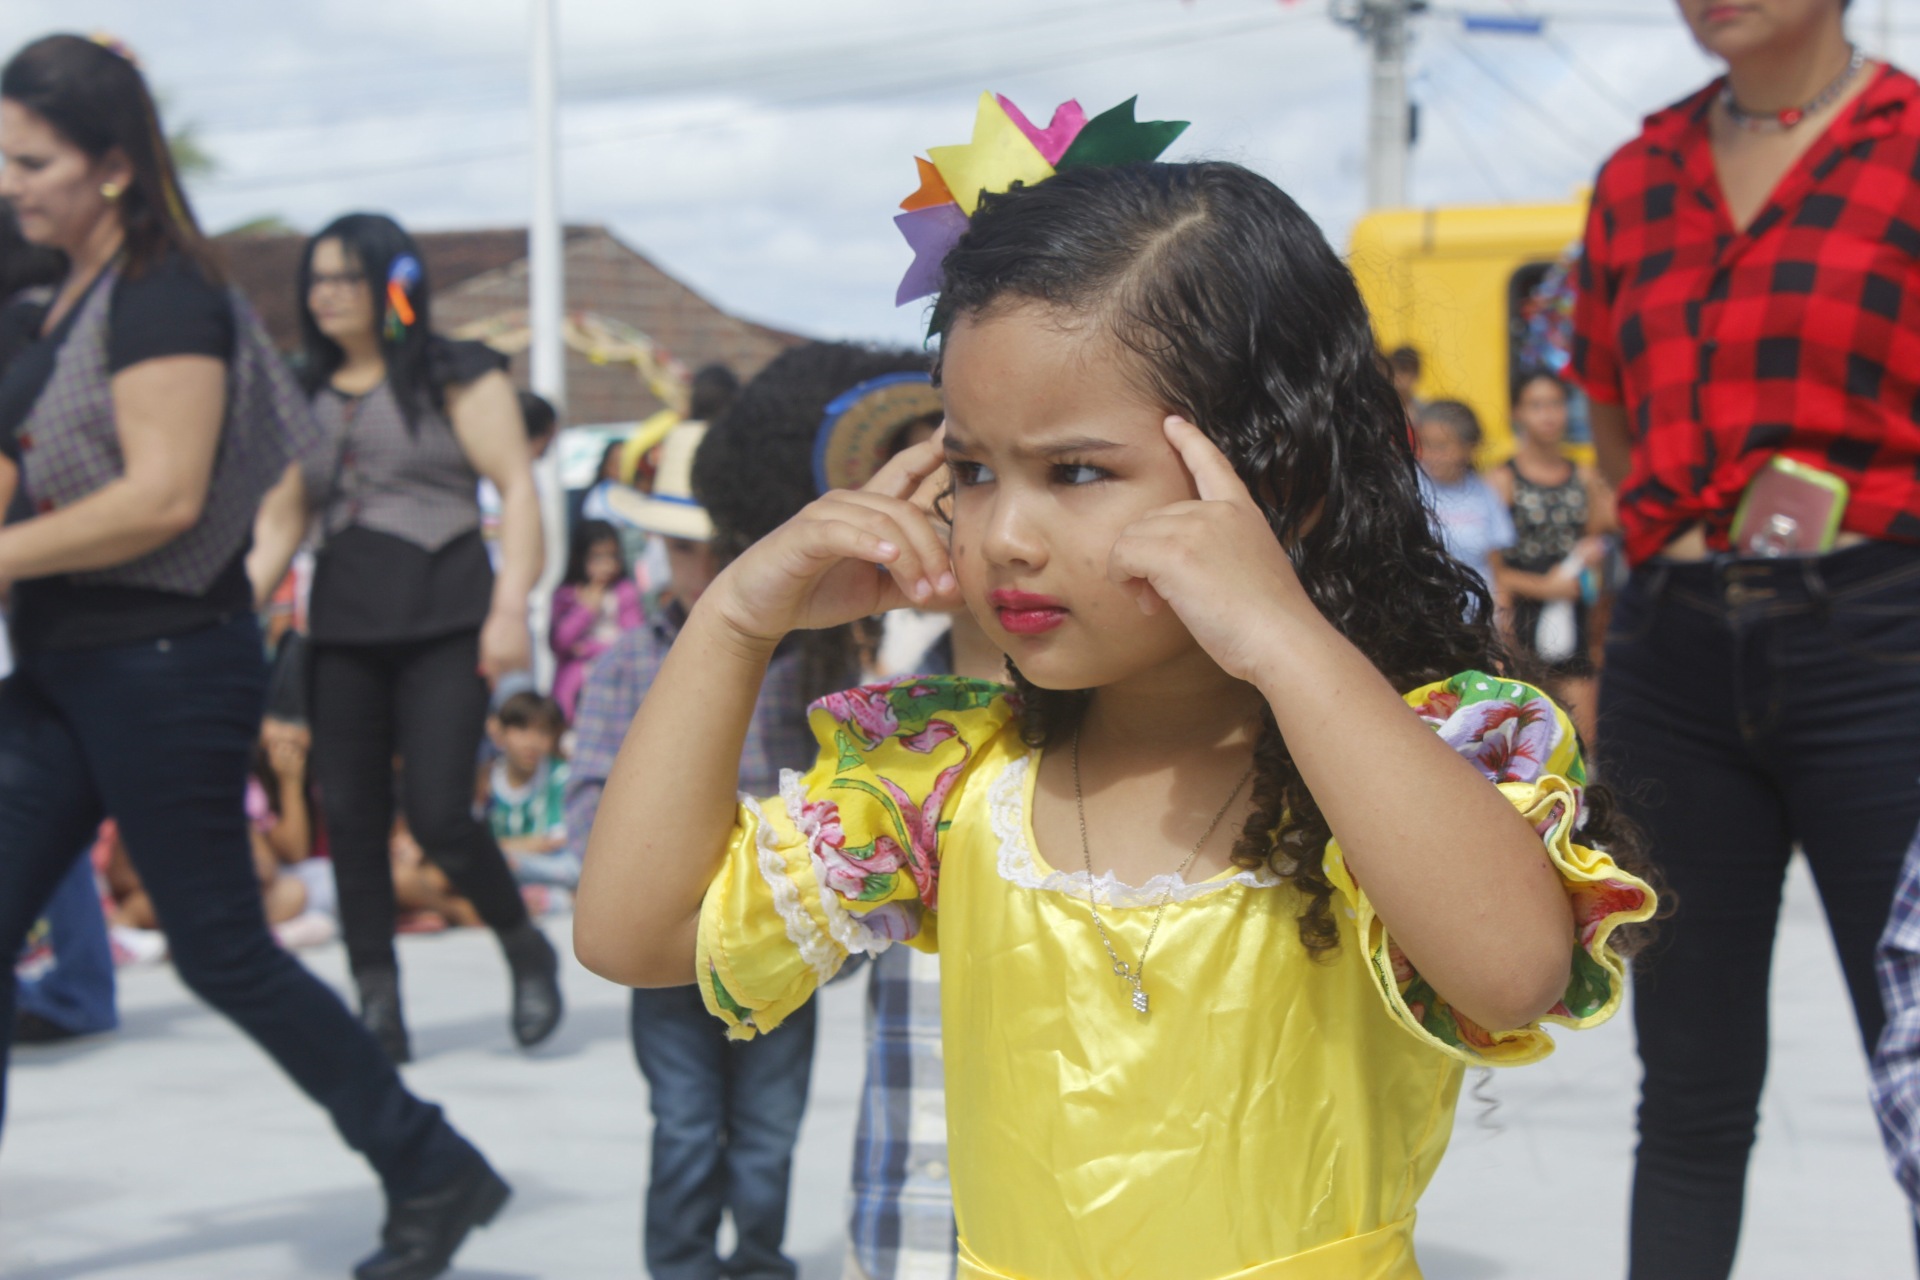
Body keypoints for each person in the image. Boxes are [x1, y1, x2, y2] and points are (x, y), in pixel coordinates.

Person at [575, 95, 1658, 1277]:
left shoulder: (1396, 761)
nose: (1006, 536)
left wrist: (1282, 635)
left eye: (1078, 471)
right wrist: (736, 619)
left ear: (1279, 477)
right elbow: (639, 932)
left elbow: (1512, 968)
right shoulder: (946, 783)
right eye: (973, 469)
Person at [0, 34, 508, 1280]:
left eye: (31, 161)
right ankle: (429, 1161)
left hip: (165, 663)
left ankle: (430, 1161)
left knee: (221, 944)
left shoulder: (164, 294)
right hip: (65, 663)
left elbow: (165, 494)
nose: (9, 184)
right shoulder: (51, 289)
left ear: (114, 165)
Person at [1569, 6, 1920, 1273]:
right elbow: (1612, 411)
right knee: (1687, 1083)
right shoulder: (1636, 174)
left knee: (1919, 1052)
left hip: (1882, 634)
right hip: (1674, 647)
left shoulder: (1908, 142)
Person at [248, 211, 562, 1067]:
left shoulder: (455, 372)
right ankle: (377, 1001)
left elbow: (517, 489)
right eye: (317, 279)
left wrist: (510, 607)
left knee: (438, 812)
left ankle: (523, 946)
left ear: (394, 283)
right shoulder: (300, 388)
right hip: (341, 629)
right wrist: (232, 608)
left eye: (347, 277)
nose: (328, 294)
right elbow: (281, 522)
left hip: (444, 621)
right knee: (351, 819)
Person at [569, 396, 860, 1280]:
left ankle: (760, 1262)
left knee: (770, 1128)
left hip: (781, 937)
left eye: (719, 546)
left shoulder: (817, 660)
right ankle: (684, 1266)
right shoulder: (628, 662)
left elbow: (845, 794)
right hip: (670, 944)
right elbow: (587, 802)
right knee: (687, 1123)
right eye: (684, 546)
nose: (702, 564)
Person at [1487, 368, 1614, 742]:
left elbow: (1598, 539)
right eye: (1537, 405)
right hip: (1520, 624)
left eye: (1556, 404)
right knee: (1526, 740)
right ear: (1518, 413)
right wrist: (1546, 587)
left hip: (1574, 622)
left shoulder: (1584, 477)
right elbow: (1493, 570)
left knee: (1585, 738)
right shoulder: (1503, 480)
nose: (1548, 415)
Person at [1415, 399, 1515, 599]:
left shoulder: (1485, 493)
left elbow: (1496, 565)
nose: (1430, 455)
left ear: (1468, 447)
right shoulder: (1410, 487)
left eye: (1441, 446)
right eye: (1425, 444)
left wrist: (1503, 607)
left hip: (1476, 608)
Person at [548, 518, 641, 720]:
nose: (608, 565)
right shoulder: (566, 595)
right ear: (580, 558)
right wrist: (586, 610)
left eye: (612, 556)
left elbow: (633, 640)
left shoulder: (625, 592)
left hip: (616, 674)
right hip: (576, 681)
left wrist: (589, 649)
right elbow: (560, 642)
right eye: (598, 557)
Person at [486, 690, 574, 889]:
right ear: (500, 733)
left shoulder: (561, 776)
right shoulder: (486, 779)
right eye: (522, 729)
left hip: (546, 869)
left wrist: (499, 848)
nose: (532, 742)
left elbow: (555, 840)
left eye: (543, 732)